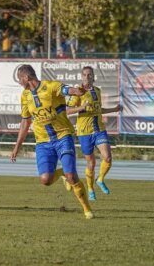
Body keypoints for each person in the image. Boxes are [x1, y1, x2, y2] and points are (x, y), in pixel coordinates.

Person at [9, 64, 94, 219]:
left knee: (72, 176)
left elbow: (67, 90)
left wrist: (78, 91)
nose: (19, 82)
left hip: (63, 136)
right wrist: (16, 147)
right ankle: (61, 173)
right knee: (45, 180)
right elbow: (25, 123)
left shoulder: (50, 86)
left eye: (20, 79)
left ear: (27, 77)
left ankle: (87, 209)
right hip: (43, 142)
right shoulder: (25, 96)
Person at [65, 66, 123, 202]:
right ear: (81, 76)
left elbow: (99, 110)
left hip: (99, 129)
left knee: (107, 157)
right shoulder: (78, 92)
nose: (87, 77)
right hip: (84, 132)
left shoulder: (97, 90)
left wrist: (114, 109)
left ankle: (100, 179)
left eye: (89, 75)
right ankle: (90, 189)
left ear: (93, 76)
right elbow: (67, 111)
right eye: (84, 75)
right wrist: (81, 107)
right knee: (91, 163)